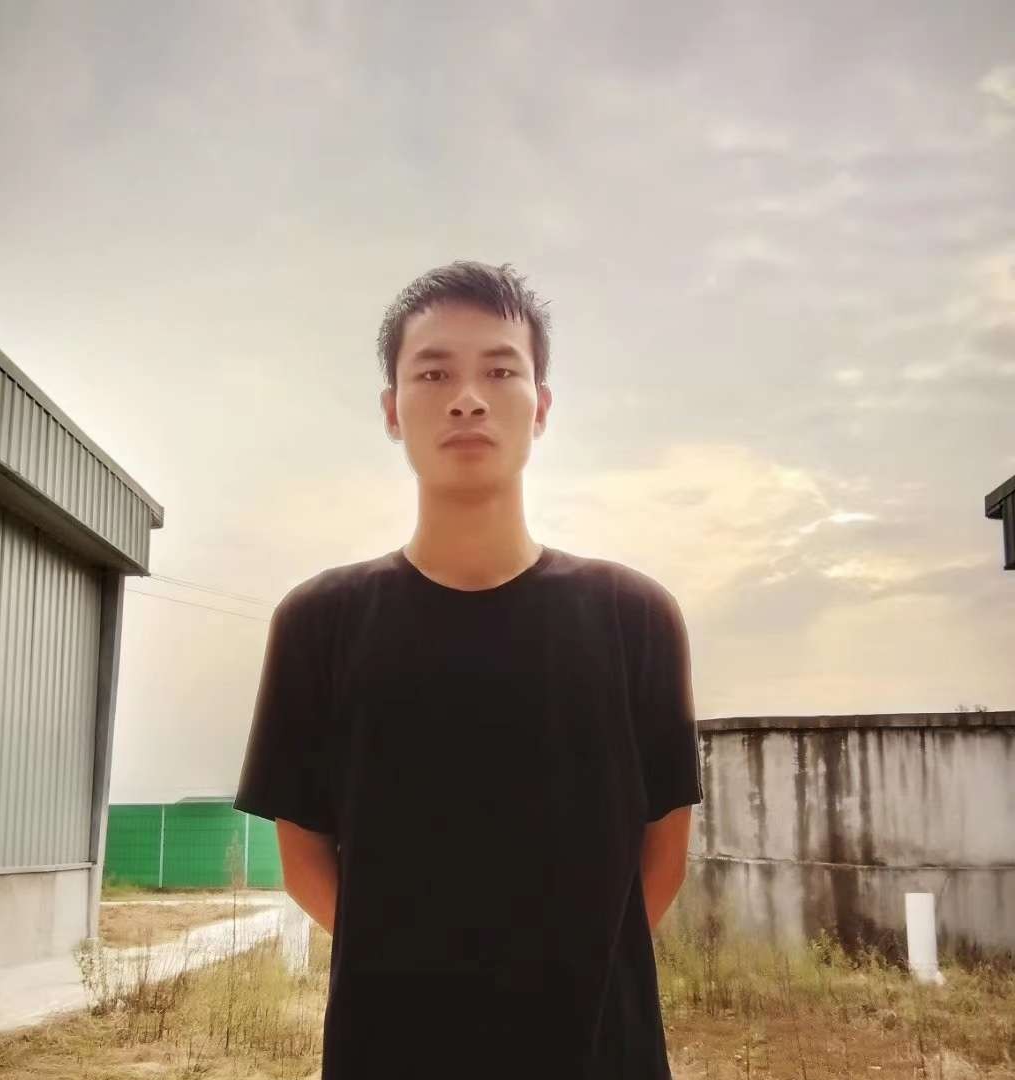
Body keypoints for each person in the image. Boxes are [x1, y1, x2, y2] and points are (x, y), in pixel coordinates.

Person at [233, 259, 704, 1080]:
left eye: (499, 370)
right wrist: (419, 972)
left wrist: (567, 971)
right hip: (390, 1048)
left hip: (602, 1050)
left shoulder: (634, 615)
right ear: (392, 410)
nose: (467, 398)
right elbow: (303, 849)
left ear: (541, 406)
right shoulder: (319, 622)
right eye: (433, 373)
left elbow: (662, 848)